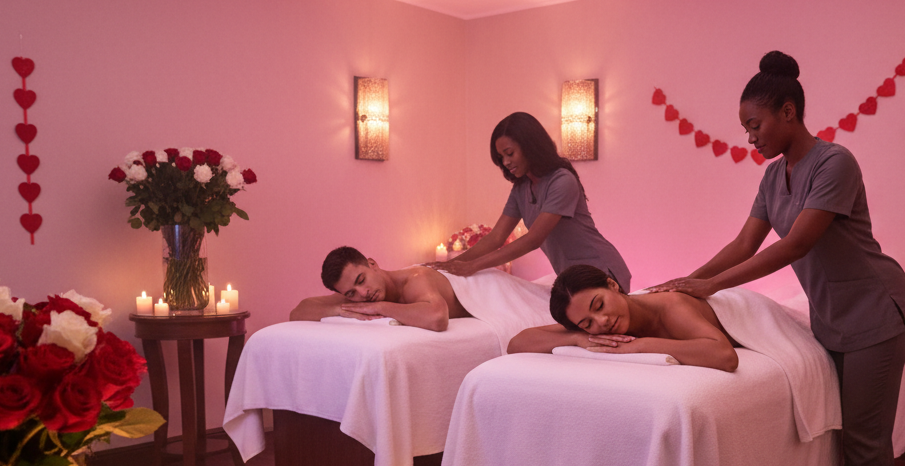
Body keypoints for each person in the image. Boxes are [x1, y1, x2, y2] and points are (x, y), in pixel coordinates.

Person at [648, 51, 905, 466]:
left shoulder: (835, 163)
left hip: (877, 310)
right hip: (833, 317)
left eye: (755, 125)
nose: (750, 137)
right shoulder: (774, 176)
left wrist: (711, 287)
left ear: (788, 112)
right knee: (864, 437)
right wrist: (687, 281)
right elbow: (745, 243)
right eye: (746, 128)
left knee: (863, 440)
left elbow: (795, 244)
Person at [435, 112, 632, 292]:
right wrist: (448, 267)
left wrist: (473, 266)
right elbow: (496, 237)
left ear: (530, 146)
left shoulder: (562, 181)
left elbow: (533, 239)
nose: (505, 162)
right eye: (501, 157)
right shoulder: (521, 188)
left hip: (602, 271)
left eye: (510, 153)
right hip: (573, 279)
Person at [507, 265, 738, 372]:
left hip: (744, 309)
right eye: (587, 323)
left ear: (612, 285)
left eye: (599, 305)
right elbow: (517, 343)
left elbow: (725, 356)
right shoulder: (590, 326)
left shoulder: (671, 306)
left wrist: (640, 345)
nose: (602, 321)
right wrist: (577, 338)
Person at [290, 246, 468, 331]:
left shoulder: (415, 279)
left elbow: (437, 319)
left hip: (480, 287)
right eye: (351, 293)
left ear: (372, 264)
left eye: (361, 280)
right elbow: (297, 312)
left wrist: (379, 307)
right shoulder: (357, 295)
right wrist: (338, 309)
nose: (363, 293)